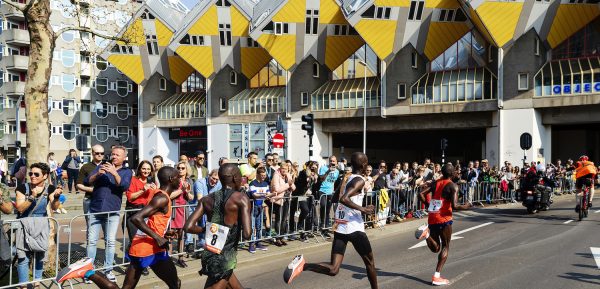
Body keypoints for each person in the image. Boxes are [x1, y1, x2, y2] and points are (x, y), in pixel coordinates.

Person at [57, 166, 182, 289]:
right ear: (171, 179)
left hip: (140, 247)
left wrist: (164, 234)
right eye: (178, 177)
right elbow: (136, 218)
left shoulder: (159, 195)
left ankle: (88, 272)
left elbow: (150, 222)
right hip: (151, 249)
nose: (180, 179)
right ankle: (88, 271)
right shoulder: (162, 198)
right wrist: (158, 238)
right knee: (175, 284)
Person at [284, 152, 377, 289]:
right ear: (363, 165)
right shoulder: (359, 180)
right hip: (354, 228)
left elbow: (335, 198)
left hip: (341, 227)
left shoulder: (347, 178)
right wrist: (363, 209)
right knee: (370, 263)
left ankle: (303, 265)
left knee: (334, 269)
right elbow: (343, 199)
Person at [184, 163, 252, 289]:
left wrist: (209, 230)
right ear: (234, 178)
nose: (241, 179)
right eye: (240, 176)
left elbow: (188, 227)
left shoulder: (206, 199)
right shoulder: (241, 198)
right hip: (225, 255)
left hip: (211, 252)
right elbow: (247, 234)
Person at [416, 164, 471, 286]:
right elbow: (455, 206)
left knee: (436, 249)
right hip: (444, 218)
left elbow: (420, 194)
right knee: (446, 246)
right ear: (452, 174)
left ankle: (426, 234)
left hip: (432, 216)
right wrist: (467, 206)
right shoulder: (453, 186)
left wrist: (429, 205)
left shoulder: (436, 183)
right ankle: (436, 276)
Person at [86, 145, 133, 283]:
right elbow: (87, 181)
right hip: (95, 209)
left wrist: (114, 173)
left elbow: (124, 186)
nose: (114, 156)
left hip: (112, 212)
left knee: (110, 242)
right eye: (113, 154)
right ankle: (89, 271)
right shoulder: (102, 166)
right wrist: (97, 174)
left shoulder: (127, 171)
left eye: (117, 155)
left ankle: (108, 270)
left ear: (124, 158)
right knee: (92, 242)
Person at [15, 163, 62, 285]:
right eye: (31, 173)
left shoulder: (50, 188)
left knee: (40, 257)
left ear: (45, 176)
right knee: (23, 258)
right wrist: (31, 197)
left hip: (41, 226)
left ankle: (37, 284)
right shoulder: (22, 188)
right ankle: (23, 286)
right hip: (24, 225)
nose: (32, 176)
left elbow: (54, 206)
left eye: (36, 174)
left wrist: (56, 197)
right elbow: (20, 209)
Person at [124, 160, 156, 269]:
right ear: (139, 169)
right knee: (134, 240)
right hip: (133, 212)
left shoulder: (152, 182)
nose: (146, 171)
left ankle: (140, 263)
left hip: (146, 212)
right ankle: (134, 264)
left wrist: (156, 191)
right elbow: (130, 197)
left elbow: (152, 199)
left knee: (143, 240)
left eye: (148, 169)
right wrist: (143, 189)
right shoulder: (133, 180)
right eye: (144, 168)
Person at [187, 169, 222, 254]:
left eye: (217, 179)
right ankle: (189, 244)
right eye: (213, 178)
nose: (214, 181)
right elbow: (200, 199)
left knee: (203, 228)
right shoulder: (200, 182)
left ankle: (200, 249)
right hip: (195, 207)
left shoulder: (219, 184)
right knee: (191, 227)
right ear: (208, 176)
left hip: (207, 207)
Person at [170, 161, 194, 267]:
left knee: (181, 235)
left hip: (183, 210)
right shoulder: (173, 180)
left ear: (186, 169)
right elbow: (169, 195)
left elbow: (192, 198)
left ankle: (181, 258)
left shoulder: (189, 180)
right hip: (173, 209)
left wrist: (187, 192)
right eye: (178, 167)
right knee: (170, 235)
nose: (180, 169)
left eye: (183, 168)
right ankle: (169, 259)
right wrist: (181, 190)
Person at [77, 145, 105, 232]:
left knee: (106, 227)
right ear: (92, 153)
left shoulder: (108, 165)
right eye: (97, 153)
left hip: (104, 200)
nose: (100, 155)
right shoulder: (85, 167)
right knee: (91, 227)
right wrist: (92, 190)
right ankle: (90, 245)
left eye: (102, 153)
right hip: (90, 199)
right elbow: (79, 184)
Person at [270, 161, 295, 246]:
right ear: (280, 168)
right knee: (278, 219)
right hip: (279, 199)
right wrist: (288, 184)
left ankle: (281, 237)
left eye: (286, 169)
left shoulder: (287, 175)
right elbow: (277, 190)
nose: (284, 170)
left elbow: (294, 188)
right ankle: (277, 238)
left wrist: (290, 179)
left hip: (287, 199)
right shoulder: (276, 176)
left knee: (284, 219)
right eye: (283, 168)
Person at [317, 156, 341, 238]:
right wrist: (328, 171)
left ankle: (325, 229)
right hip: (322, 191)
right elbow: (321, 179)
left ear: (336, 162)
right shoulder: (323, 168)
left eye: (334, 161)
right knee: (323, 207)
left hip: (330, 193)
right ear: (329, 161)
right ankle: (321, 225)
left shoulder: (337, 172)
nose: (332, 162)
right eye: (331, 161)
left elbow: (335, 182)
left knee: (327, 211)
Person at [248, 167, 270, 252]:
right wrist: (265, 195)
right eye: (262, 175)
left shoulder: (265, 184)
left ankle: (258, 243)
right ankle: (251, 244)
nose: (264, 177)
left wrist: (273, 194)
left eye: (264, 175)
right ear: (257, 175)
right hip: (253, 207)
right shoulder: (252, 183)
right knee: (252, 226)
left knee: (259, 226)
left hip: (260, 207)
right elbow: (254, 195)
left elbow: (268, 194)